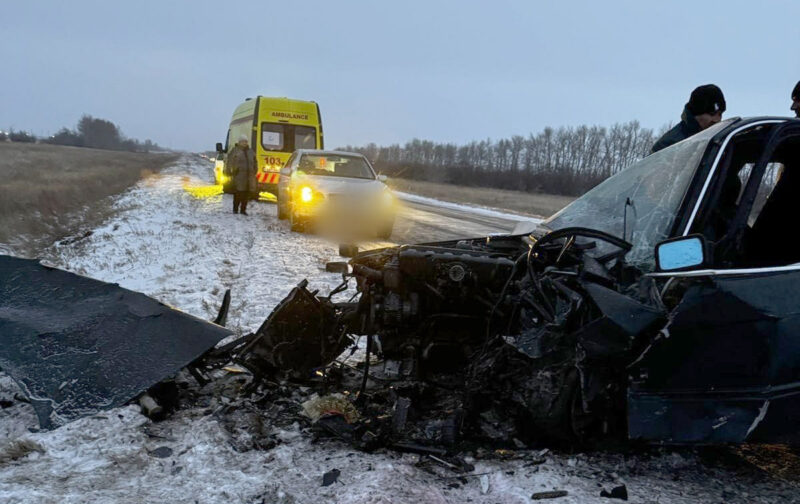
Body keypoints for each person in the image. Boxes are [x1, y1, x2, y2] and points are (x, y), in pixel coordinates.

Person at [651, 84, 726, 153]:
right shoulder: (669, 145)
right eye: (711, 114)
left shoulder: (724, 141)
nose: (717, 119)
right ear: (696, 114)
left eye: (720, 114)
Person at [224, 134, 257, 215]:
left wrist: (255, 170)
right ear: (239, 142)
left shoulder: (250, 151)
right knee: (238, 193)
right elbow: (229, 162)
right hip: (238, 176)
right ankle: (235, 209)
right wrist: (230, 171)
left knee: (246, 194)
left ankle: (243, 210)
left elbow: (255, 162)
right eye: (243, 141)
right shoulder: (235, 151)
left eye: (246, 141)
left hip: (249, 176)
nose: (244, 143)